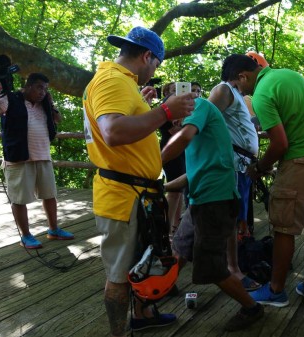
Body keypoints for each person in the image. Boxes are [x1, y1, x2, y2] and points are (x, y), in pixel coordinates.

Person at [82, 26, 195, 336]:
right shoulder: (113, 80)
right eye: (156, 64)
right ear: (147, 56)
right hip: (123, 196)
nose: (154, 71)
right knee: (119, 274)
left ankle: (143, 315)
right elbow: (114, 132)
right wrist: (165, 111)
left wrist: (142, 104)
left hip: (137, 192)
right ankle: (119, 332)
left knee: (141, 262)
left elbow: (123, 121)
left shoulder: (123, 84)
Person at [222, 54, 304, 308]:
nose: (241, 93)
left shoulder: (261, 94)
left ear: (243, 76)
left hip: (300, 162)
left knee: (283, 228)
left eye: (238, 87)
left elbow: (280, 144)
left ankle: (275, 290)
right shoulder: (289, 75)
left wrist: (259, 168)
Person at [161, 97, 264, 331]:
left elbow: (184, 136)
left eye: (172, 119)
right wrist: (162, 187)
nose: (172, 126)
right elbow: (192, 176)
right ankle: (165, 287)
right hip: (201, 200)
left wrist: (153, 164)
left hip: (216, 201)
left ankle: (252, 308)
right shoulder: (202, 140)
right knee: (181, 246)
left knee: (212, 266)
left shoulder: (199, 106)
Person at [0, 73, 73, 249]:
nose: (43, 92)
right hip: (19, 157)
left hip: (43, 155)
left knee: (49, 195)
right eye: (40, 87)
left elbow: (58, 119)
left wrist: (51, 102)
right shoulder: (11, 98)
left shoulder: (44, 104)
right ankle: (25, 236)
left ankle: (54, 229)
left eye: (46, 89)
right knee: (19, 199)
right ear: (28, 86)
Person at [208, 66, 261, 289]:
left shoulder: (237, 95)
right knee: (230, 218)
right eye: (254, 77)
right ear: (242, 75)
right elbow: (206, 119)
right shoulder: (223, 90)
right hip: (234, 165)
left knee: (237, 217)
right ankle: (232, 269)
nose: (256, 82)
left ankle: (233, 265)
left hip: (243, 165)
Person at [157, 82, 186, 236]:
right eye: (173, 90)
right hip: (170, 148)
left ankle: (175, 226)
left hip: (182, 149)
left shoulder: (182, 108)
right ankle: (165, 231)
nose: (176, 92)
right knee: (174, 190)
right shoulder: (165, 110)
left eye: (178, 89)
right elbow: (175, 131)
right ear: (166, 92)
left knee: (179, 190)